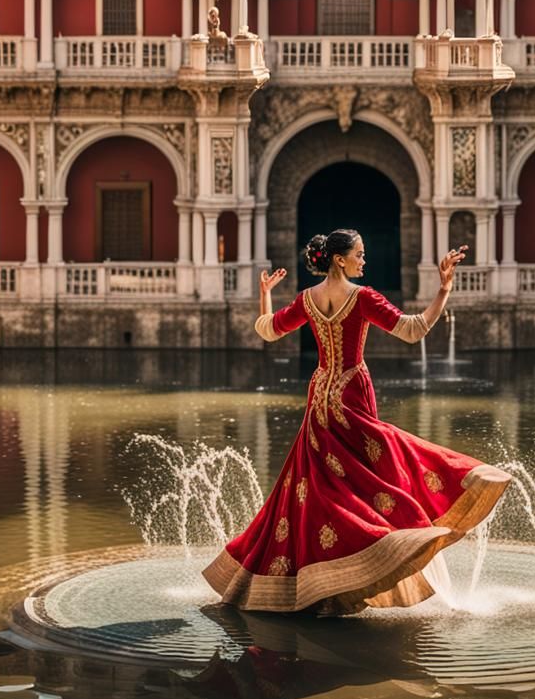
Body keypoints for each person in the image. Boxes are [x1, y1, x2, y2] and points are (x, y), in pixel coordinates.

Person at [202, 229, 511, 615]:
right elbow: (413, 331)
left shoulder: (307, 300)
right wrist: (444, 290)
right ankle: (453, 491)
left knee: (318, 491)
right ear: (339, 260)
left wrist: (265, 293)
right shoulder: (363, 297)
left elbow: (266, 329)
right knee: (375, 473)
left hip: (319, 399)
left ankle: (321, 588)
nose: (364, 261)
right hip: (351, 393)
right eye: (359, 254)